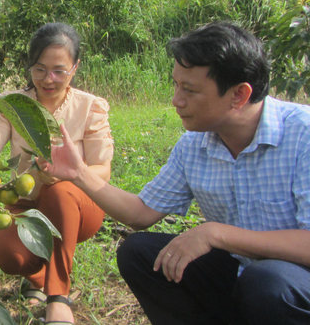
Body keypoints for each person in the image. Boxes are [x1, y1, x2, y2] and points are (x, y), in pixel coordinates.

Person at [38, 22, 310, 325]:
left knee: (268, 282)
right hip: (244, 275)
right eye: (176, 85)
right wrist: (78, 172)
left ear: (239, 95)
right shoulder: (196, 144)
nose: (176, 100)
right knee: (140, 254)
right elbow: (141, 213)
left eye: (190, 90)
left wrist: (215, 233)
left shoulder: (303, 135)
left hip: (292, 285)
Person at [0, 23, 114, 324]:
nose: (48, 79)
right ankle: (39, 277)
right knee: (9, 257)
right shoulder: (13, 104)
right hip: (27, 202)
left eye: (59, 70)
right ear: (29, 67)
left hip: (78, 206)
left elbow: (102, 169)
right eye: (40, 69)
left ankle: (58, 296)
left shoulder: (89, 108)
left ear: (75, 68)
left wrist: (71, 174)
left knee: (60, 190)